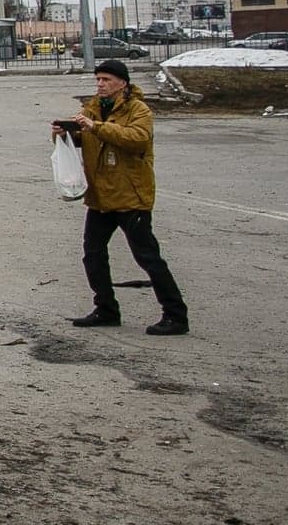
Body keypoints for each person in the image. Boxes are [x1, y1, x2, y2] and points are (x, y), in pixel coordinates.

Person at [54, 58, 188, 336]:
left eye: (107, 80)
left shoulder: (138, 109)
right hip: (101, 196)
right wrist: (64, 134)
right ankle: (106, 309)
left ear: (122, 84)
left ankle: (175, 315)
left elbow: (137, 138)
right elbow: (87, 140)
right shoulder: (92, 108)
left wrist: (95, 127)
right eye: (98, 79)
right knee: (93, 255)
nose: (100, 85)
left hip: (130, 196)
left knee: (148, 257)